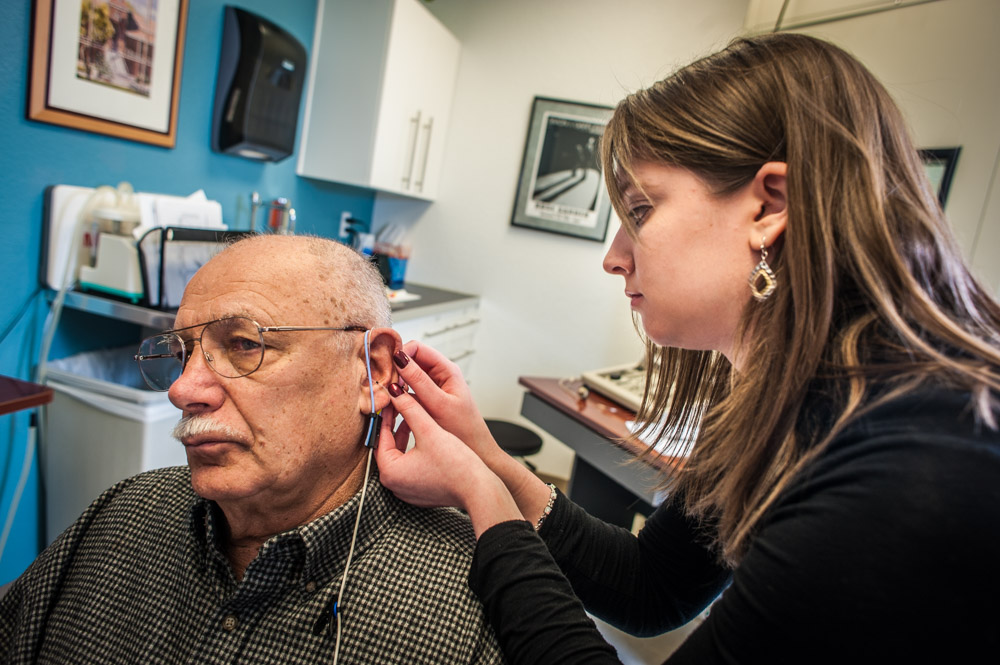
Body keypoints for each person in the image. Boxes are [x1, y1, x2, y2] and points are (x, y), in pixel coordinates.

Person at [373, 32, 1000, 663]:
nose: (614, 259)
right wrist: (484, 458)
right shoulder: (791, 400)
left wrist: (483, 500)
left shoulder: (908, 467)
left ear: (768, 207)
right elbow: (652, 588)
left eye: (641, 211)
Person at [0, 235, 503, 664]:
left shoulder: (475, 608)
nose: (182, 389)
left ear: (370, 371)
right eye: (182, 352)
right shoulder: (122, 515)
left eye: (244, 343)